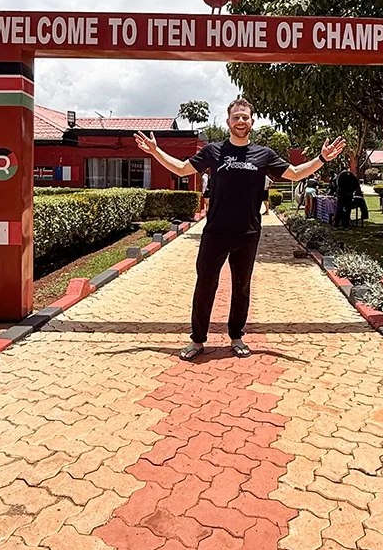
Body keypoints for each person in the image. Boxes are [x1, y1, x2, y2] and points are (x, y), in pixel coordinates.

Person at [135, 99, 346, 361]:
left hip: (248, 233)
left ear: (252, 122)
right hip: (215, 233)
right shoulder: (214, 151)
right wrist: (155, 151)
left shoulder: (263, 154)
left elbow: (293, 173)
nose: (241, 122)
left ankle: (236, 336)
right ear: (228, 122)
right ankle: (197, 340)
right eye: (236, 117)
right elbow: (181, 168)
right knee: (205, 285)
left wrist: (322, 158)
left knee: (241, 286)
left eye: (245, 117)